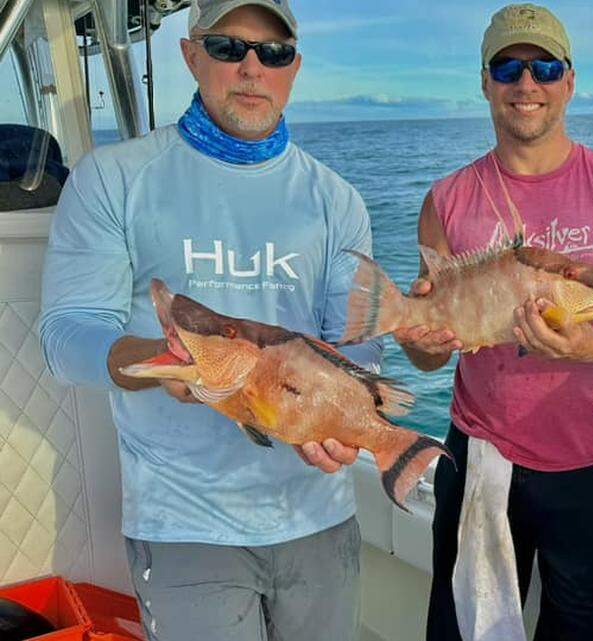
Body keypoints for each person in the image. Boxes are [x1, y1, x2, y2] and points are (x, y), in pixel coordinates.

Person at [37, 1, 379, 639]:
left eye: (273, 52)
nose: (252, 67)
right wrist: (156, 364)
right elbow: (66, 336)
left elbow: (358, 348)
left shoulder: (338, 201)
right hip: (185, 525)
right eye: (228, 48)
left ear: (294, 67)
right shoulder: (114, 178)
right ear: (191, 55)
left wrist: (348, 416)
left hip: (321, 514)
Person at [396, 4, 593, 640]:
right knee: (463, 627)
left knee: (575, 627)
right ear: (484, 82)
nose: (527, 84)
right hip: (481, 454)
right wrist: (420, 338)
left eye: (544, 68)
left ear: (569, 81)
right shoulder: (446, 199)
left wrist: (582, 346)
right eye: (508, 68)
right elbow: (429, 356)